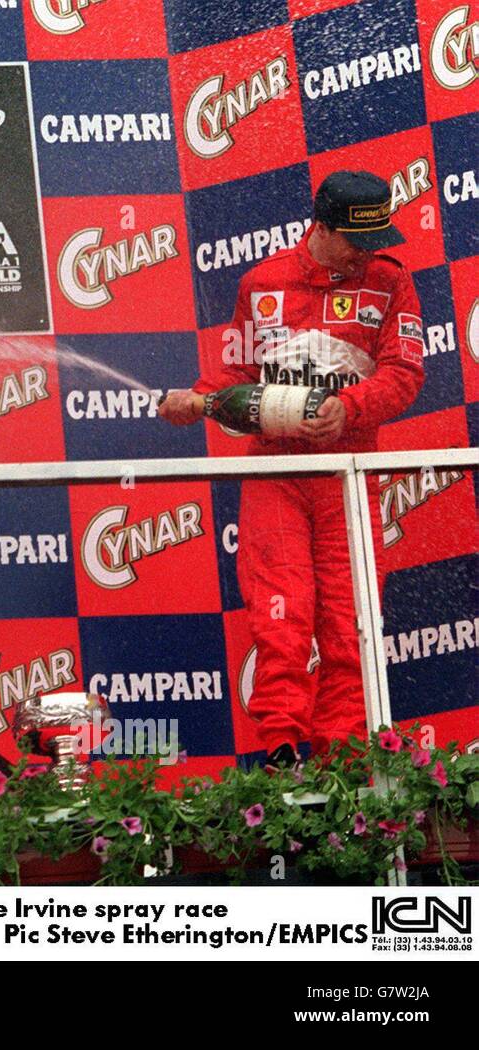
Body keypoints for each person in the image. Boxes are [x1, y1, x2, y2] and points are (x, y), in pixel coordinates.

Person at [160, 171, 425, 768]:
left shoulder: (390, 283)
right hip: (275, 476)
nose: (367, 251)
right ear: (321, 228)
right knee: (281, 618)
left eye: (377, 237)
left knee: (349, 628)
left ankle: (348, 769)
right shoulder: (261, 282)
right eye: (356, 239)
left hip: (348, 479)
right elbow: (234, 377)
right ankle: (281, 755)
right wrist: (193, 399)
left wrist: (350, 409)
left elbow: (404, 375)